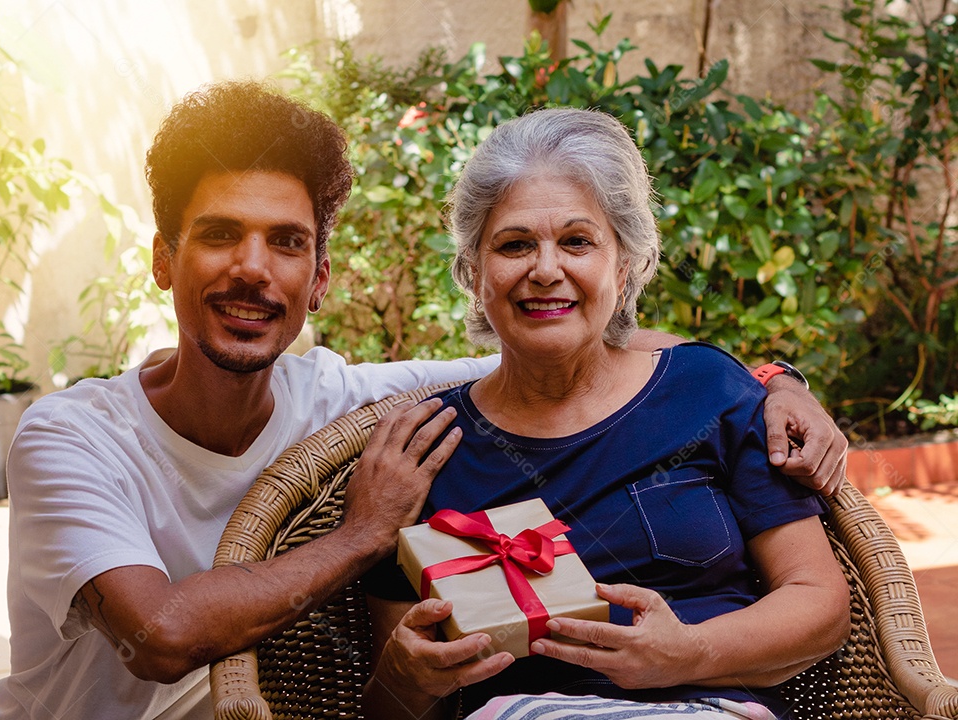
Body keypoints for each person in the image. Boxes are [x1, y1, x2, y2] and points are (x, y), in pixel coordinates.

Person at [0, 82, 844, 720]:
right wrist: (364, 535)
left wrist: (771, 381)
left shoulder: (359, 402)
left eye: (286, 243)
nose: (253, 268)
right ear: (164, 261)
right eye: (218, 236)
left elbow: (564, 336)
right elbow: (160, 635)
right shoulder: (71, 436)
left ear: (318, 278)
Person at [362, 108, 851, 720]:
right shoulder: (426, 450)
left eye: (577, 241)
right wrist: (407, 680)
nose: (545, 271)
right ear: (474, 273)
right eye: (514, 245)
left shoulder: (706, 391)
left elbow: (820, 603)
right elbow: (388, 708)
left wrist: (690, 652)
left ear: (624, 266)